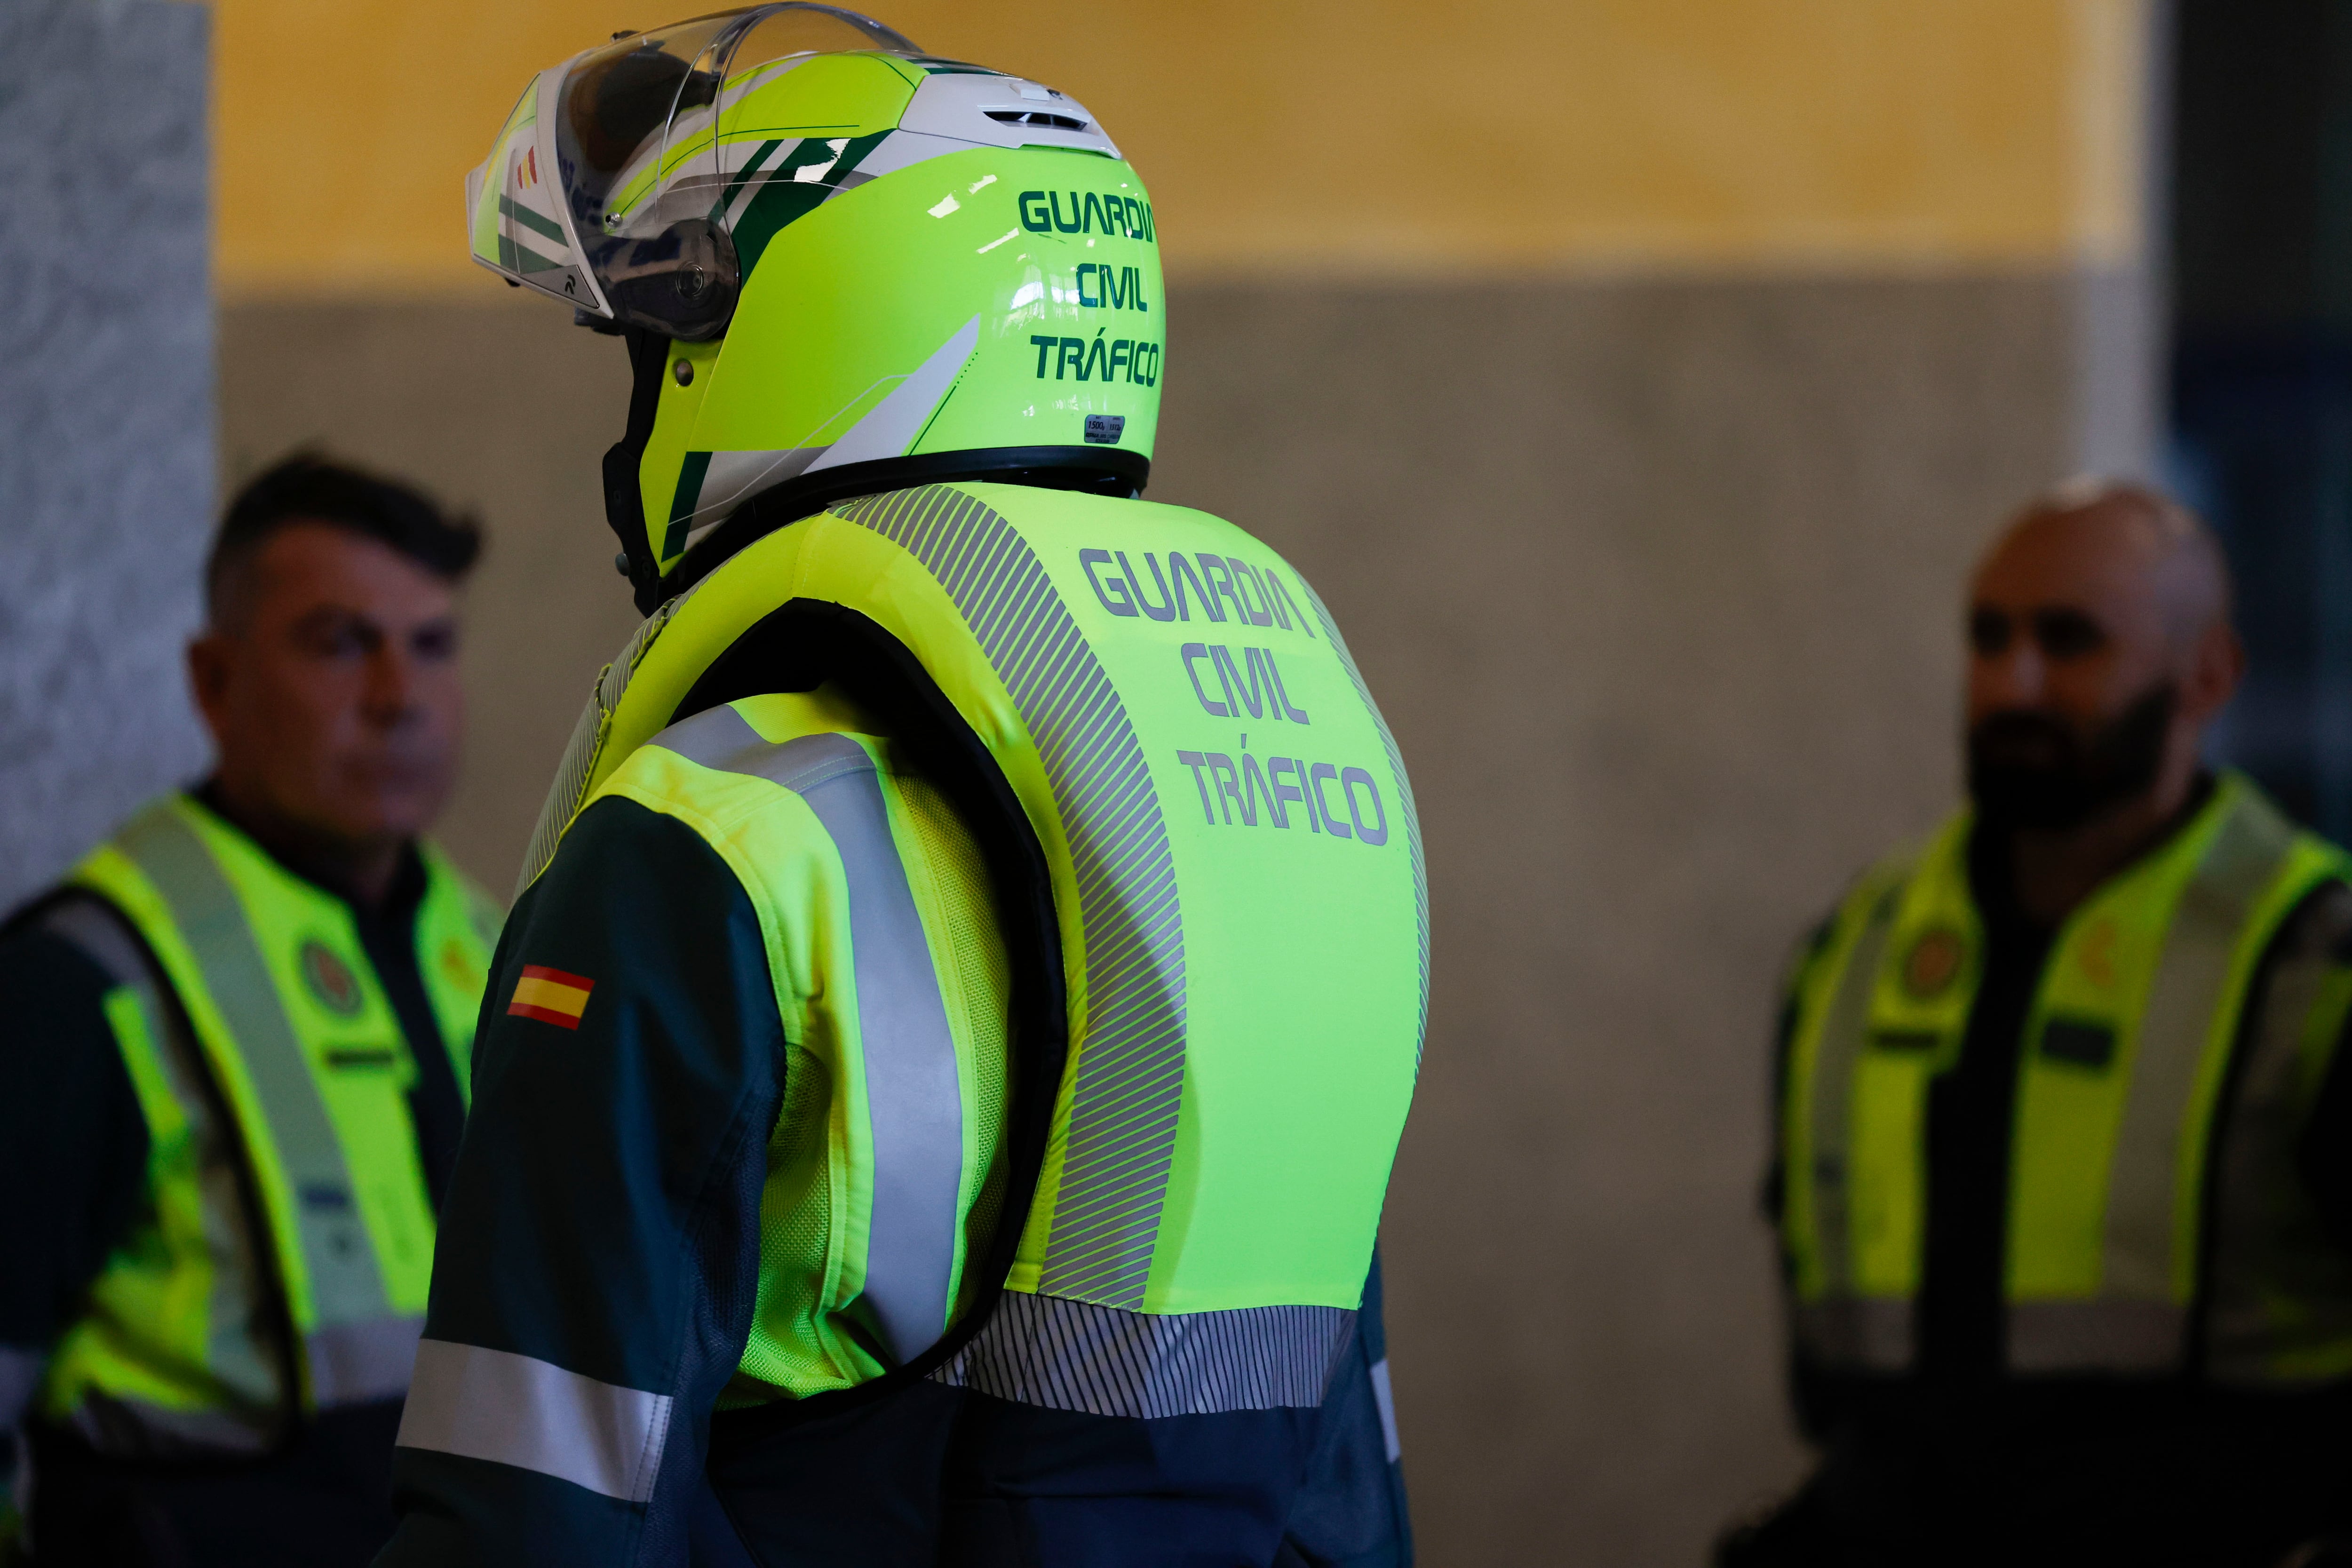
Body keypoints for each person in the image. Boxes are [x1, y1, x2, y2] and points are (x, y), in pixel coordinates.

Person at [378, 7, 1422, 1565]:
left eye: (666, 346)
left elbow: (534, 1502)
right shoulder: (1248, 835)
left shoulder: (717, 841)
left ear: (787, 344)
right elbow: (1354, 1494)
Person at [1722, 481, 2352, 1567]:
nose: (2011, 681)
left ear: (2206, 675)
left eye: (2068, 640)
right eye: (1987, 635)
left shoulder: (2307, 956)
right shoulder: (1862, 943)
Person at [0, 455, 502, 1566]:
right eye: (339, 642)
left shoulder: (493, 945)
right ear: (215, 681)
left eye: (431, 645)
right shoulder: (84, 978)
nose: (398, 694)